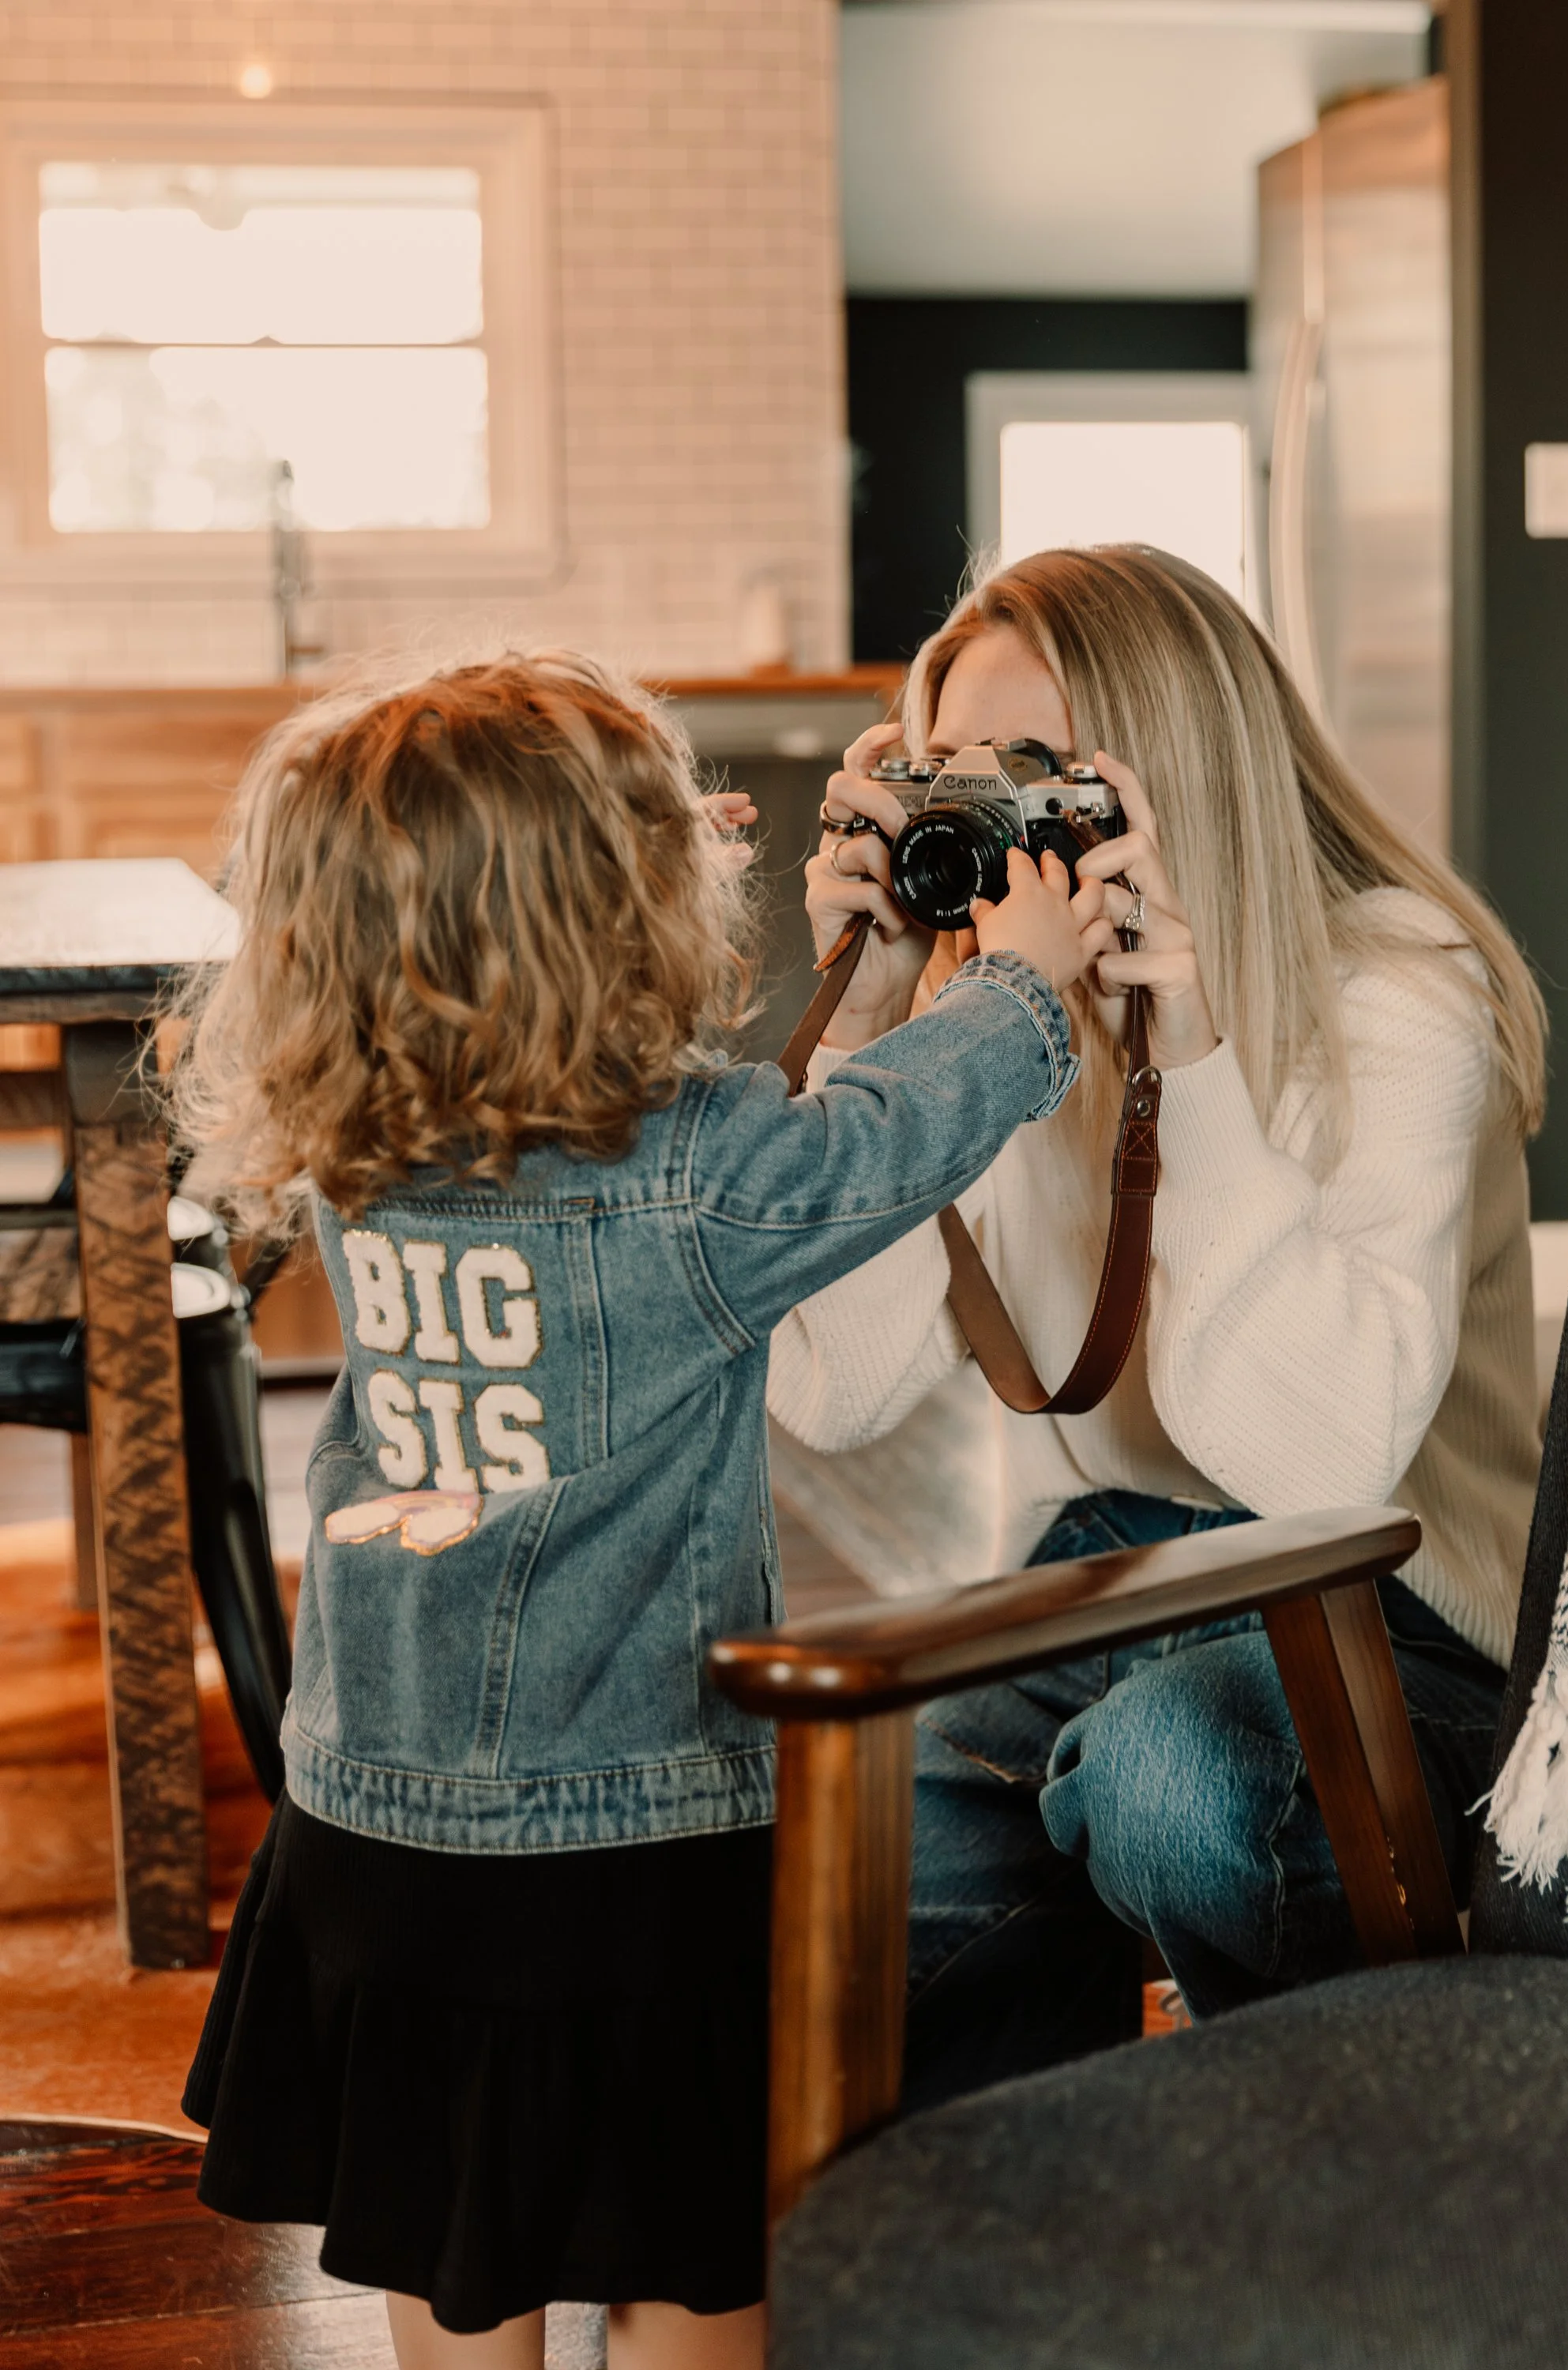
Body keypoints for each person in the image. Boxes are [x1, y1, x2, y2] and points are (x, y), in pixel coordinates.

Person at [171, 649, 1112, 2369]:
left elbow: (649, 1154)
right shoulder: (698, 1178)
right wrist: (1028, 989)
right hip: (626, 1843)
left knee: (461, 2239)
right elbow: (874, 1146)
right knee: (690, 2251)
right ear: (608, 919)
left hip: (370, 1814)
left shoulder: (367, 1146)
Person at [768, 544, 1548, 2095]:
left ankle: (1316, 2181)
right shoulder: (990, 1008)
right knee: (862, 1828)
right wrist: (869, 1044)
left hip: (1392, 1615)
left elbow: (1321, 1467)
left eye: (1035, 781)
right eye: (955, 784)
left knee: (1182, 1775)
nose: (1001, 844)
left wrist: (1184, 1063)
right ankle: (1009, 2249)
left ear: (1169, 770)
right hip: (1107, 1581)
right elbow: (834, 1391)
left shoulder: (1401, 991)